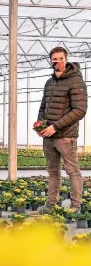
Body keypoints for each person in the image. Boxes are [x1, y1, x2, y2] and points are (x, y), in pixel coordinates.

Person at [36, 47, 88, 214]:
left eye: (60, 58)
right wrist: (40, 124)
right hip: (48, 135)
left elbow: (80, 110)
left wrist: (55, 126)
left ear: (66, 60)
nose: (57, 61)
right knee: (52, 171)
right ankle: (50, 204)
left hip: (65, 136)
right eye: (54, 59)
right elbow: (43, 106)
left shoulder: (76, 81)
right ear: (51, 61)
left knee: (72, 171)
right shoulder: (50, 82)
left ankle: (75, 207)